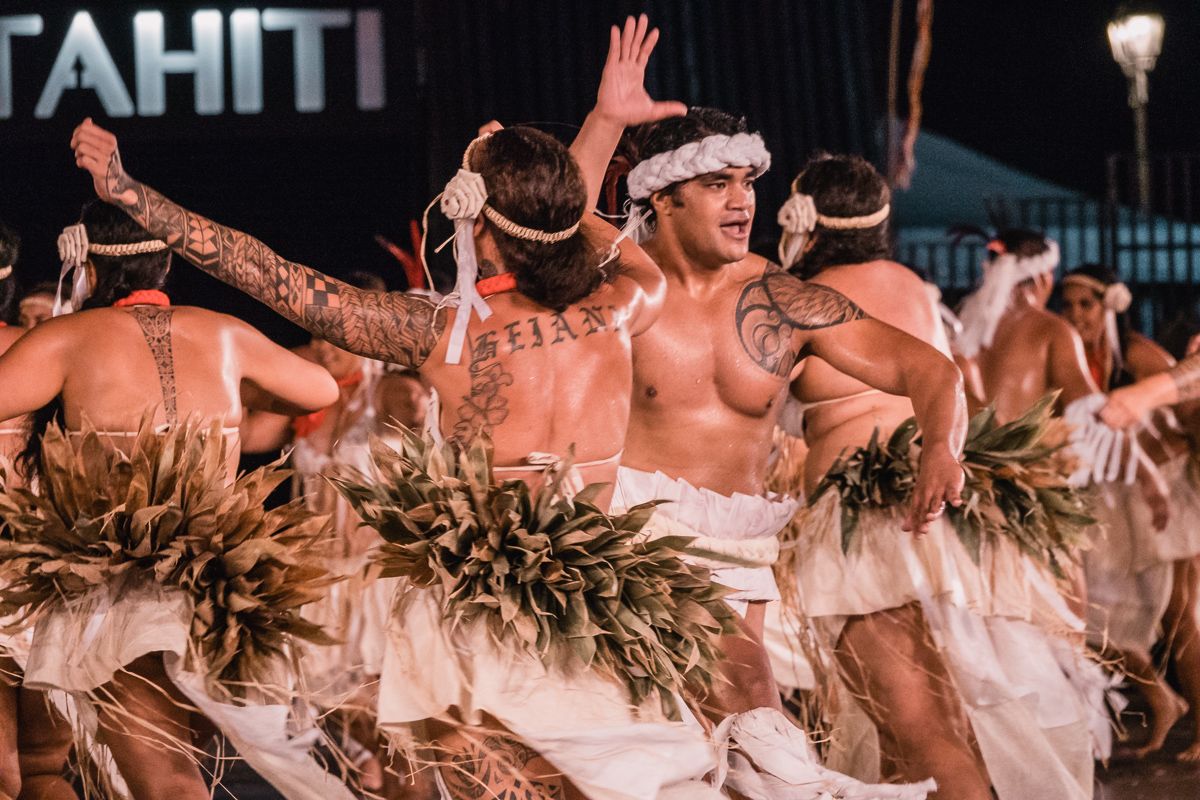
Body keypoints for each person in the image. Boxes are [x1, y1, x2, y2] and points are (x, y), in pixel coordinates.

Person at [71, 19, 743, 799]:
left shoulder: (438, 333)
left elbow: (265, 270)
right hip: (586, 599)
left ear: (475, 219)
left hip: (477, 609)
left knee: (452, 776)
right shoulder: (627, 302)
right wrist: (593, 138)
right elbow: (574, 232)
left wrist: (130, 195)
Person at [568, 97, 963, 795]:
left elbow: (927, 368)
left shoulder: (784, 300)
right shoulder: (621, 285)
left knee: (745, 756)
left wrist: (941, 447)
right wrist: (606, 117)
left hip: (738, 552)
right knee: (700, 749)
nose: (741, 201)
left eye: (747, 183)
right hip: (628, 543)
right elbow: (557, 222)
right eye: (717, 183)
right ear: (662, 197)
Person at [772, 155, 1114, 800]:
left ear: (809, 220)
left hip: (867, 526)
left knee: (922, 735)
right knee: (939, 727)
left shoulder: (808, 300)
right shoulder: (908, 282)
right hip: (937, 515)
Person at [0, 200, 349, 800]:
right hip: (221, 587)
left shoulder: (68, 338)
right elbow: (319, 387)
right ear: (165, 263)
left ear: (88, 267)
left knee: (153, 780)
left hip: (125, 586)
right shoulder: (225, 334)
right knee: (181, 773)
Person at [240, 270, 433, 797]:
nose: (323, 346)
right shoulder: (311, 402)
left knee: (395, 735)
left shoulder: (392, 392)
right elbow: (246, 435)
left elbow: (426, 418)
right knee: (346, 730)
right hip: (320, 585)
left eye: (334, 333)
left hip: (379, 582)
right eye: (317, 333)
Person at [1062, 264, 1200, 759]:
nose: (1076, 314)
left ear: (1110, 305)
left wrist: (1148, 408)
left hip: (1171, 488)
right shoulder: (1076, 356)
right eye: (1069, 304)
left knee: (1183, 613)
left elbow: (1189, 407)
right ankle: (1163, 703)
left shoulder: (1139, 353)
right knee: (1098, 615)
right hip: (1118, 498)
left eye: (1087, 304)